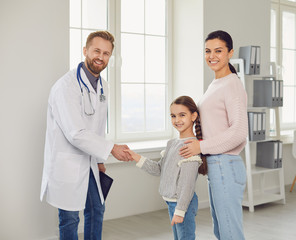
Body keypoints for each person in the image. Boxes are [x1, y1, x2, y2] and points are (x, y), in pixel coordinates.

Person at [40, 30, 131, 240]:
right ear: (85, 51)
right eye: (96, 50)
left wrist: (99, 160)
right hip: (67, 163)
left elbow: (98, 126)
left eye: (106, 53)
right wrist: (111, 149)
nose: (101, 57)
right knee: (70, 219)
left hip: (90, 161)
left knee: (97, 210)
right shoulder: (66, 86)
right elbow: (76, 133)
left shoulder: (103, 86)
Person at [179, 30, 248, 240]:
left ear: (230, 53)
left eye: (218, 51)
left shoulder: (232, 84)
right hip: (217, 166)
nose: (212, 56)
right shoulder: (217, 83)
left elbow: (239, 132)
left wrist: (201, 147)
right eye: (208, 51)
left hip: (225, 165)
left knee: (229, 233)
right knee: (222, 231)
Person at [125, 96, 206, 240]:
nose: (177, 120)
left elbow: (187, 184)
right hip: (172, 203)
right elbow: (158, 169)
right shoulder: (172, 143)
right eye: (173, 116)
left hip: (183, 204)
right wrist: (134, 156)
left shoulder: (191, 147)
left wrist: (180, 211)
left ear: (193, 116)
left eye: (182, 115)